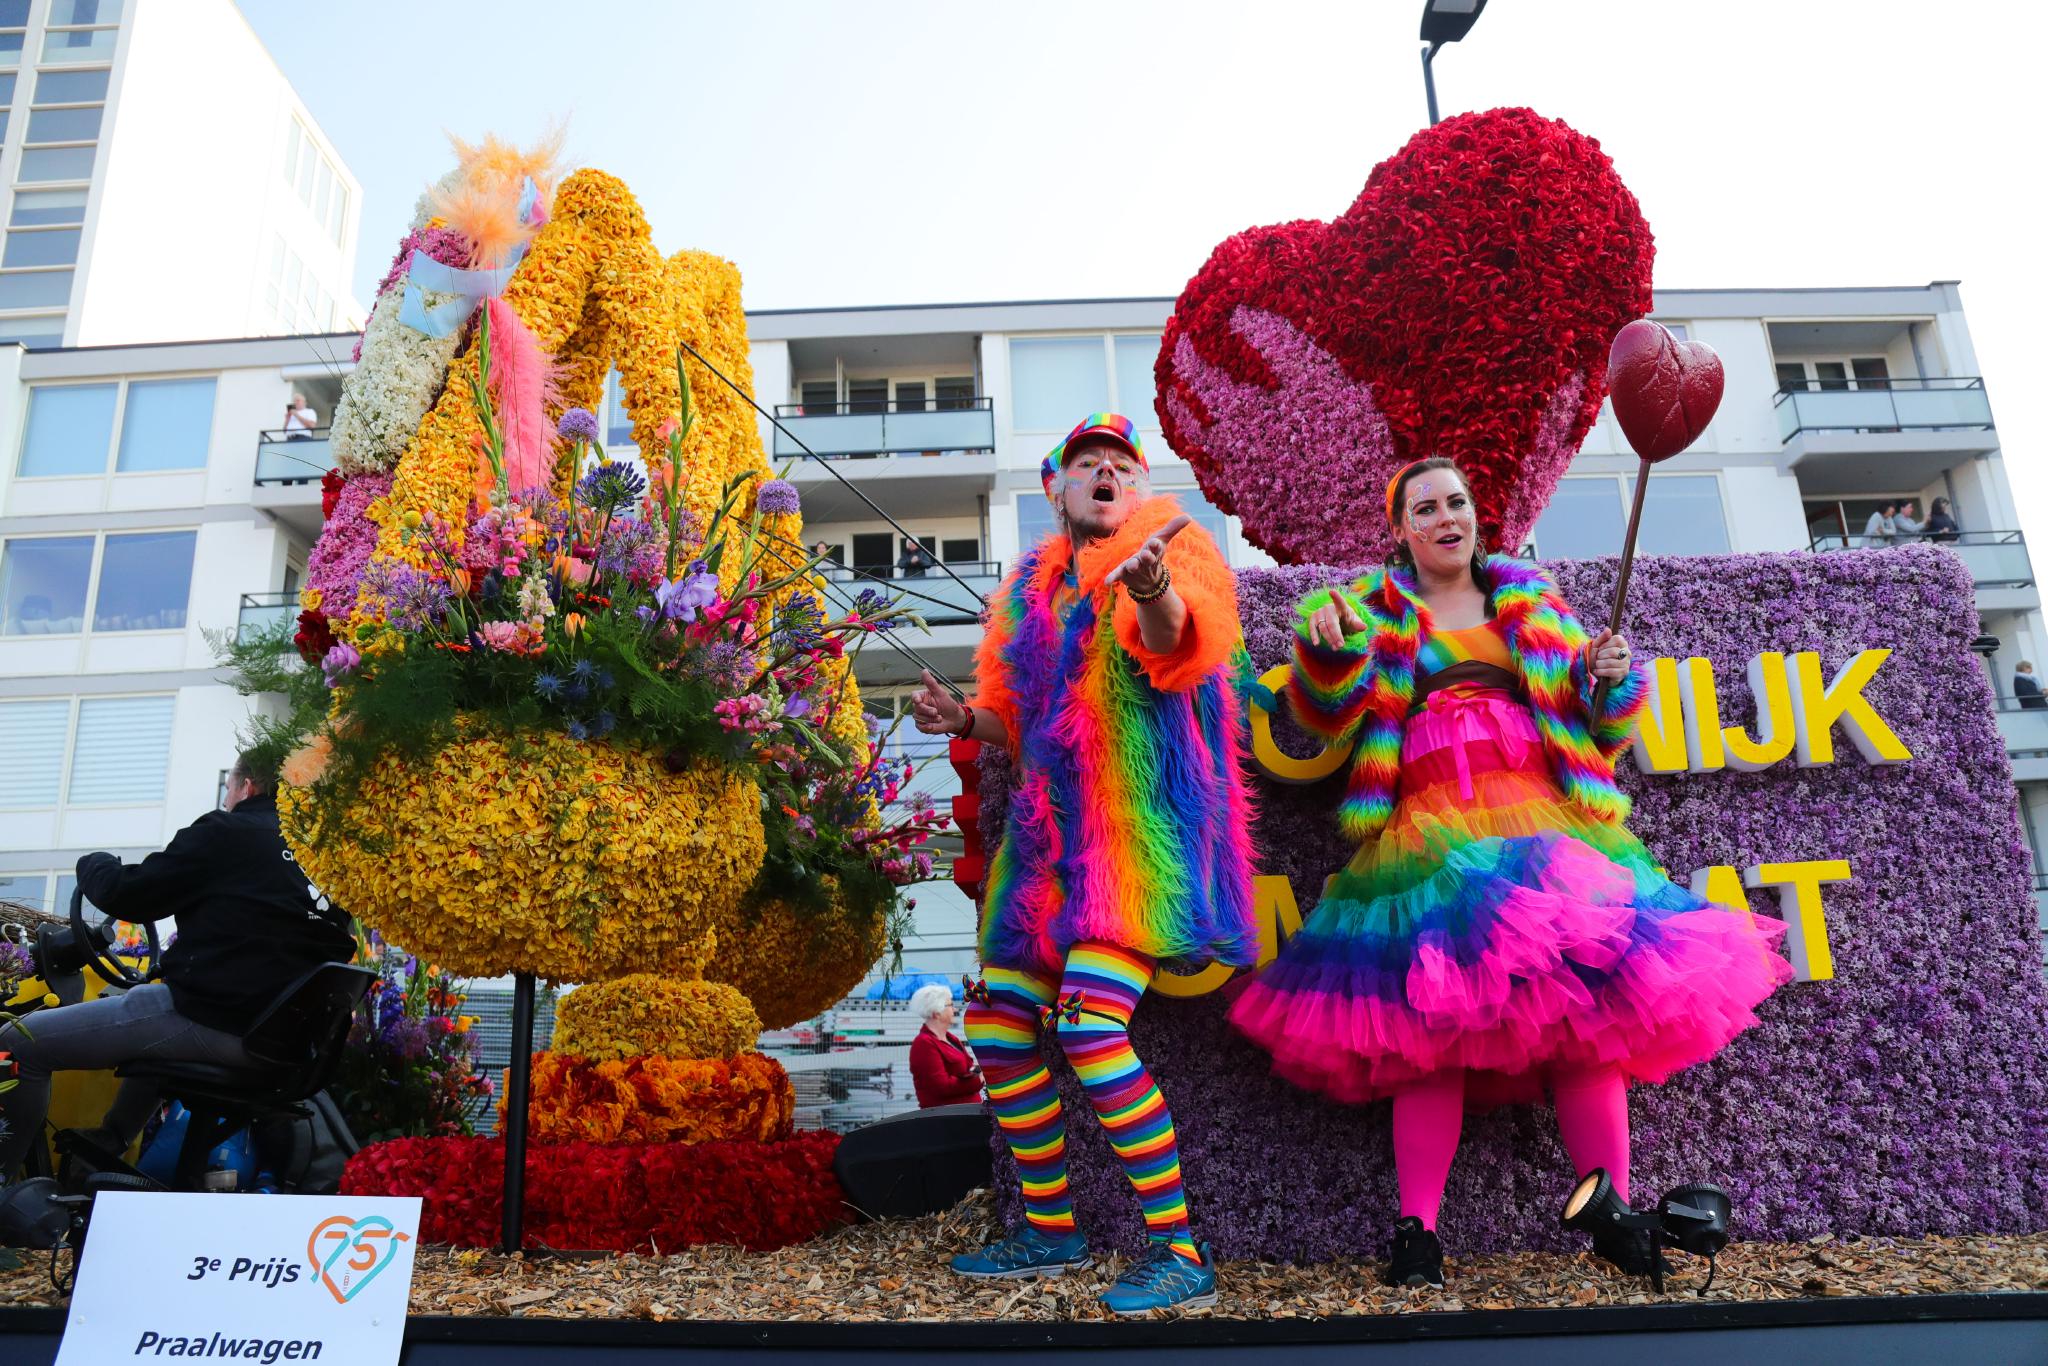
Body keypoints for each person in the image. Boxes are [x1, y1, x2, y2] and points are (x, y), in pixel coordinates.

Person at [1227, 457, 1793, 1290]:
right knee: (1427, 1044)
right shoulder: (1371, 613)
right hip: (1426, 837)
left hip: (1540, 827)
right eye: (1427, 506)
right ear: (1402, 530)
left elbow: (1600, 730)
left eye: (1458, 501)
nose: (1448, 515)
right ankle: (1416, 1232)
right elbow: (1323, 713)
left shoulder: (1531, 605)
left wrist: (1610, 683)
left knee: (1585, 1023)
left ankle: (1616, 1215)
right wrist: (1324, 657)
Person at [910, 412, 1256, 1314]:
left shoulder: (1167, 553)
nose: (1106, 475)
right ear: (1055, 485)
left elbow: (1184, 647)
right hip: (1040, 851)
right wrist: (964, 722)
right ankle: (1052, 1232)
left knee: (1091, 1028)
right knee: (993, 1024)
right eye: (1088, 465)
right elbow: (1014, 716)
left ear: (1135, 491)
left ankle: (1180, 1249)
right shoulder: (1030, 588)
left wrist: (1148, 591)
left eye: (1120, 467)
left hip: (1130, 844)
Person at [0, 750, 355, 1181]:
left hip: (218, 1023)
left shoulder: (229, 832)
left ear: (247, 788)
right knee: (152, 1007)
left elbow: (128, 895)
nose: (226, 801)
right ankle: (109, 1142)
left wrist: (93, 864)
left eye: (229, 791)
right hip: (288, 1051)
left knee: (17, 1046)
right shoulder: (328, 857)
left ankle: (4, 1190)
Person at [907, 983, 982, 1108]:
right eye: (950, 1005)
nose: (954, 1009)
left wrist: (977, 1072)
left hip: (964, 1114)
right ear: (937, 1013)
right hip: (946, 1119)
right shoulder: (923, 1044)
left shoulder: (951, 1039)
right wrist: (977, 1080)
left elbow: (968, 1068)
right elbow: (941, 1088)